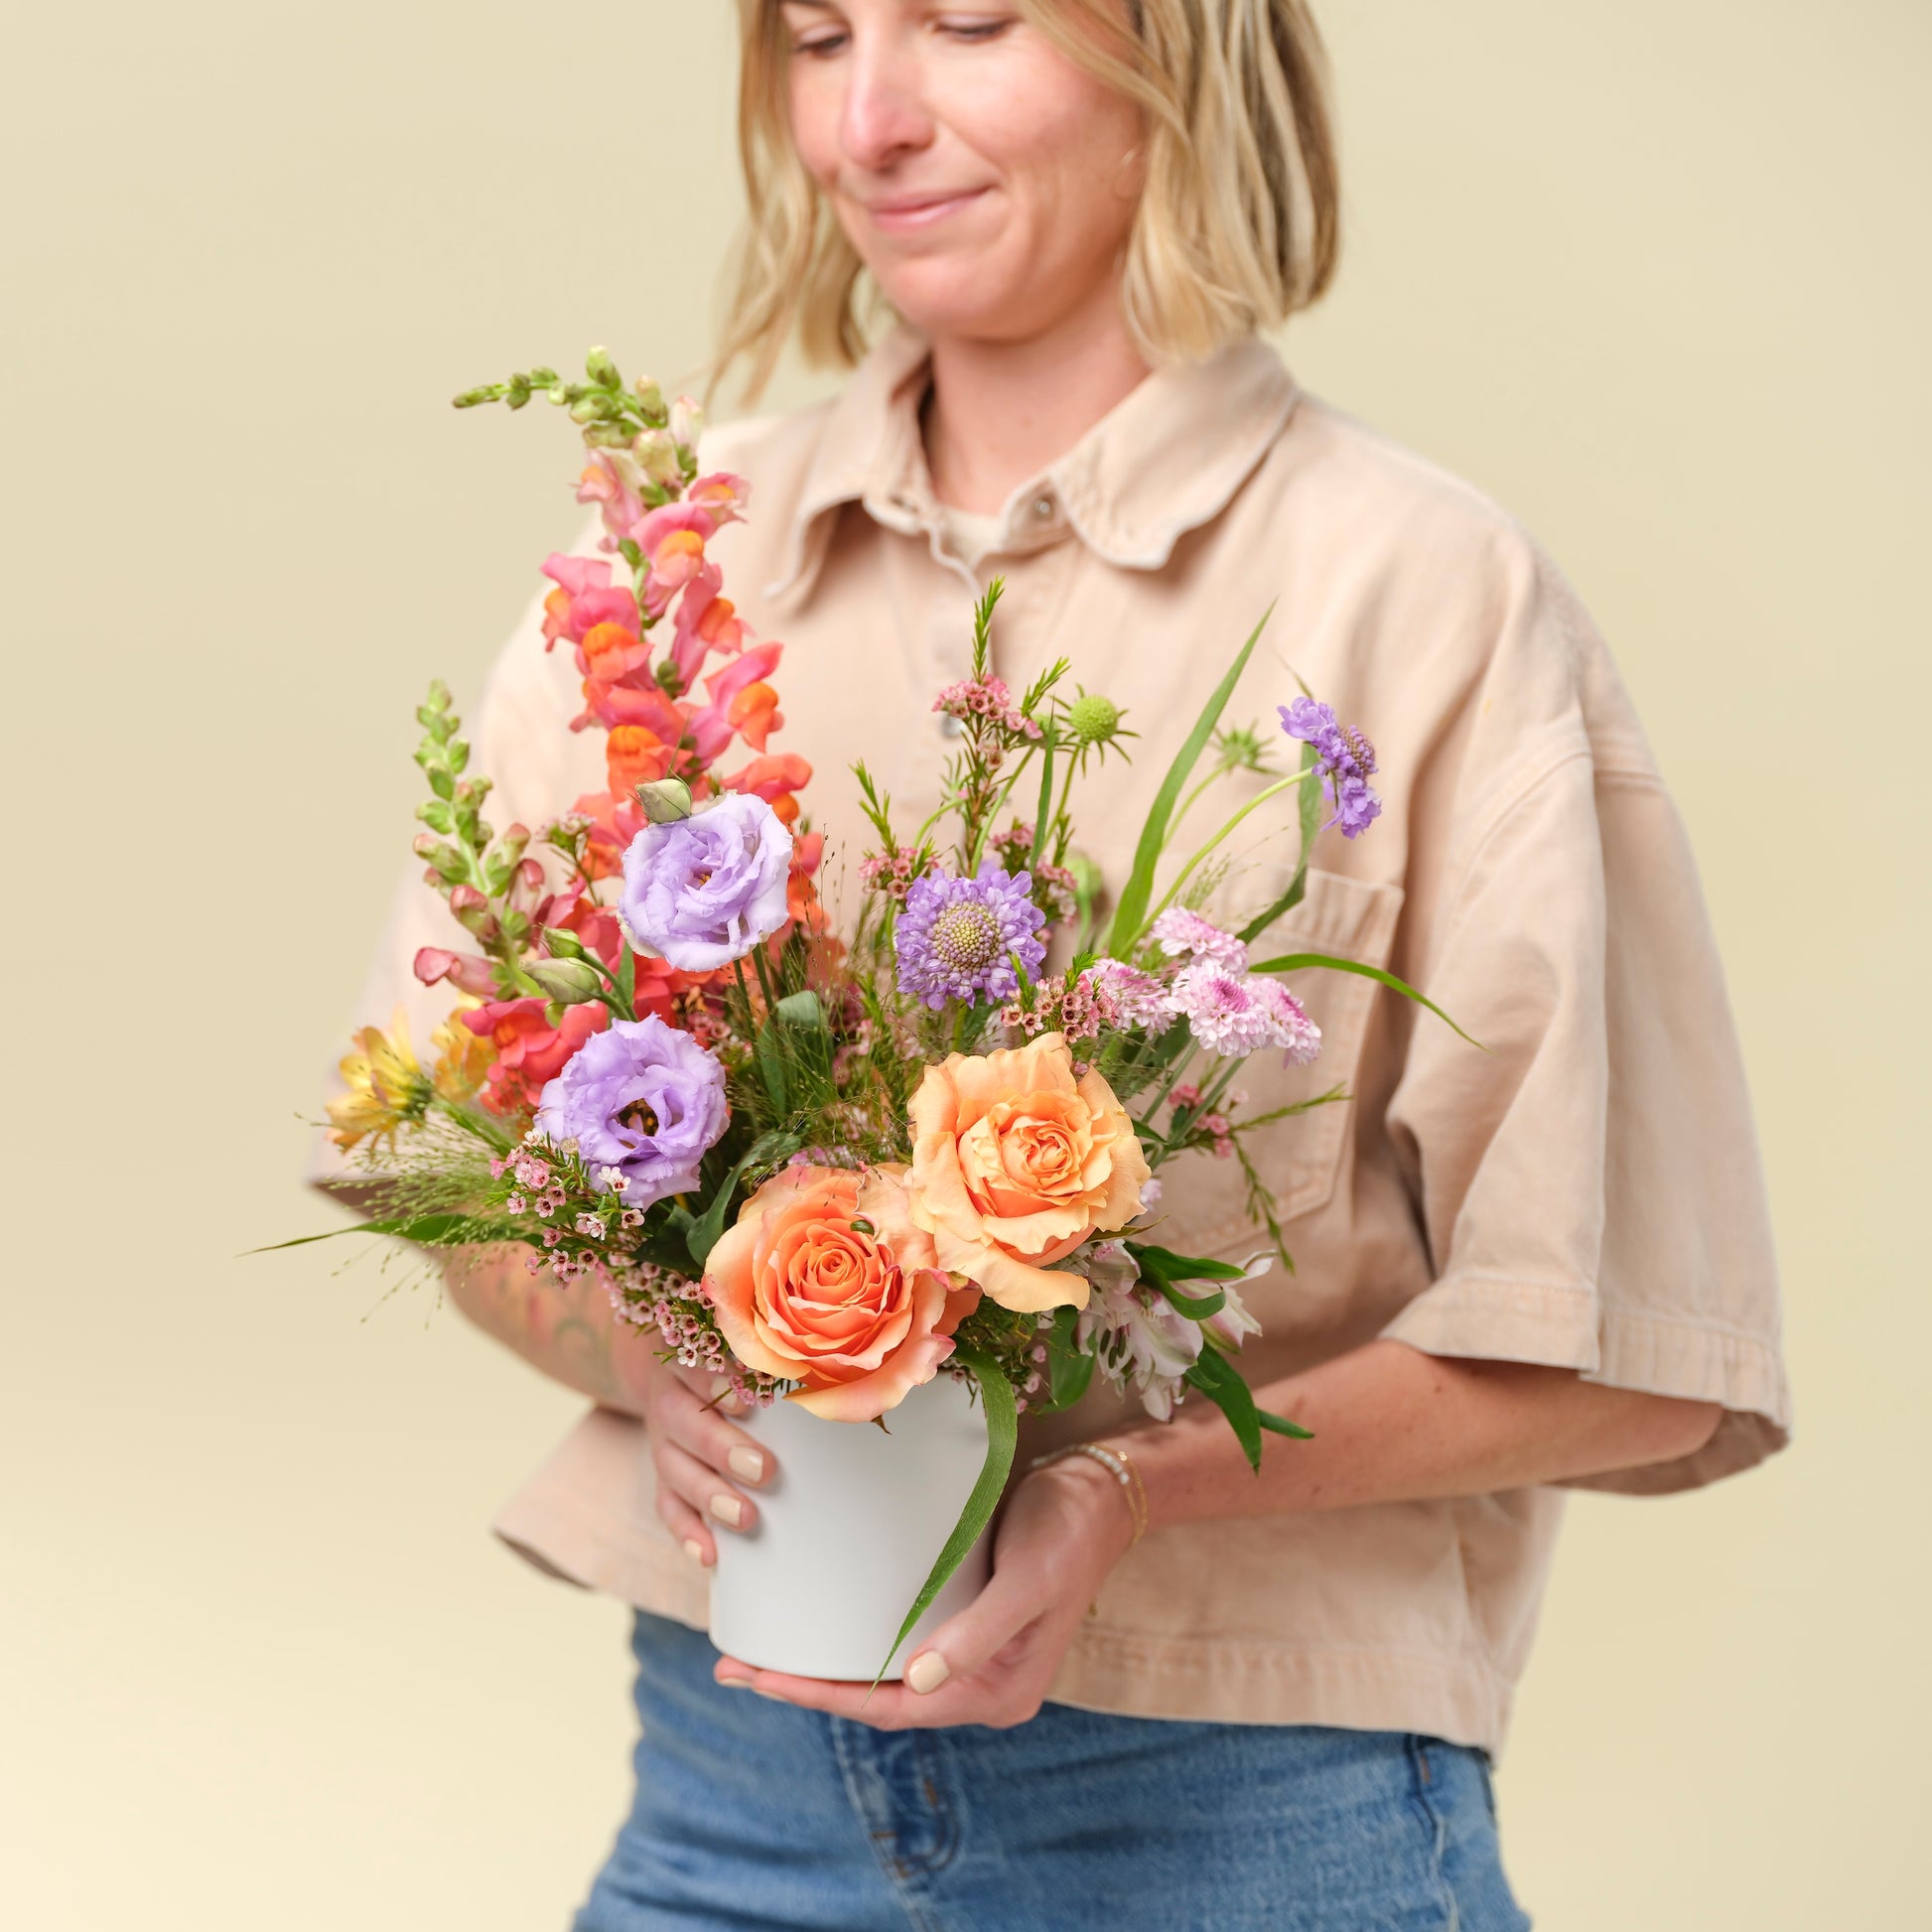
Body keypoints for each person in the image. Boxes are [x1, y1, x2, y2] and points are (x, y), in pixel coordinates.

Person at [329, 2, 1788, 1924]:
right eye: (816, 35)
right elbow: (447, 1164)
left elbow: (1633, 1358)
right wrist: (653, 1349)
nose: (867, 121)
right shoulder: (671, 572)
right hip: (728, 1799)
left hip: (1242, 1816)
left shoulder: (1423, 592)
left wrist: (1119, 1485)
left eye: (965, 20)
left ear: (1171, 55)